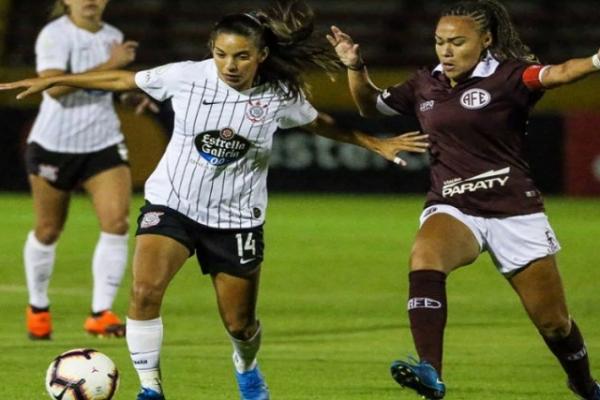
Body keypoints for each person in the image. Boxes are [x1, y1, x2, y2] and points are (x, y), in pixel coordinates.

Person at [1, 1, 428, 399]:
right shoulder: (186, 75)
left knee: (240, 324)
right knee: (145, 292)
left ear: (260, 55)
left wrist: (375, 142)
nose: (230, 65)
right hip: (172, 205)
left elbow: (322, 123)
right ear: (212, 50)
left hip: (236, 219)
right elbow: (121, 79)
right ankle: (151, 388)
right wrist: (55, 78)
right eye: (222, 54)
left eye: (242, 56)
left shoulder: (278, 94)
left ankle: (246, 367)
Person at [328, 0, 600, 399]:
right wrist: (354, 66)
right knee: (425, 257)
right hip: (453, 204)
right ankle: (430, 372)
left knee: (555, 324)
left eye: (457, 42)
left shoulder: (510, 77)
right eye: (440, 42)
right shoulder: (425, 83)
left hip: (515, 212)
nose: (446, 51)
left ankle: (584, 385)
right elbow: (370, 105)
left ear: (485, 40)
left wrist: (595, 59)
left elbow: (558, 73)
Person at [22, 0, 156, 340]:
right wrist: (111, 64)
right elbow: (53, 88)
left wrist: (129, 98)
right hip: (54, 144)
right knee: (48, 229)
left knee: (117, 223)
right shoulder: (54, 35)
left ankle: (101, 313)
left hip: (102, 143)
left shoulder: (112, 34)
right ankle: (38, 307)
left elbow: (108, 86)